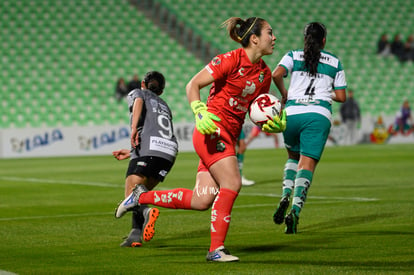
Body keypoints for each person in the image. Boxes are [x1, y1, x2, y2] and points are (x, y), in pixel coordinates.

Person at [116, 16, 284, 262]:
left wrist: (270, 122)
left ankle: (139, 196)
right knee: (232, 182)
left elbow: (253, 109)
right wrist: (199, 111)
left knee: (201, 199)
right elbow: (193, 85)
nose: (274, 37)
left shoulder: (264, 74)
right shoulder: (229, 59)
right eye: (270, 32)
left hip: (229, 135)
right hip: (212, 131)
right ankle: (216, 249)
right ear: (255, 38)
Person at [271, 22, 347, 234]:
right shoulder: (335, 62)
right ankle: (294, 211)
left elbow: (275, 74)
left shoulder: (293, 56)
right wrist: (324, 93)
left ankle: (285, 193)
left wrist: (285, 94)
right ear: (324, 40)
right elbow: (341, 96)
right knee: (307, 164)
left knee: (293, 158)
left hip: (292, 113)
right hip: (318, 115)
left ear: (305, 39)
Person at [115, 71, 178, 247]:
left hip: (150, 149)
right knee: (140, 193)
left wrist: (133, 128)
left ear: (143, 84)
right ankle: (135, 235)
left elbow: (139, 101)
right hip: (168, 153)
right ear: (161, 91)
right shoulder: (165, 105)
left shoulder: (138, 92)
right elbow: (156, 130)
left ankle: (147, 212)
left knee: (131, 193)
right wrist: (131, 152)